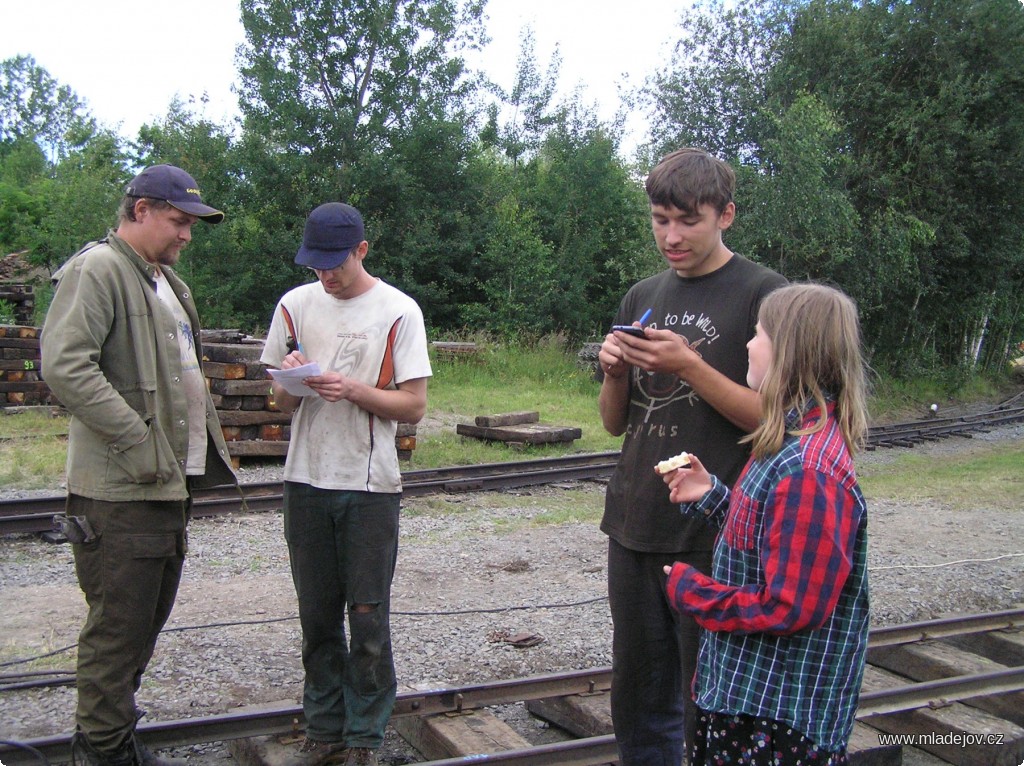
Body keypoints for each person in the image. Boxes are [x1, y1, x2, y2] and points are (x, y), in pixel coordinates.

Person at [40, 164, 238, 766]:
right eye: (178, 222)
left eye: (190, 225)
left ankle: (115, 737)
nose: (186, 236)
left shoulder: (167, 285)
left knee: (141, 626)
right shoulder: (98, 270)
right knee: (117, 633)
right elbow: (66, 366)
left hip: (161, 487)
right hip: (120, 492)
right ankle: (100, 753)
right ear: (142, 209)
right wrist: (138, 437)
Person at [597, 147, 787, 765]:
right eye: (659, 220)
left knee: (714, 702)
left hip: (716, 529)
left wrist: (689, 365)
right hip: (633, 523)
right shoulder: (641, 294)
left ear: (725, 214)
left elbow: (774, 422)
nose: (671, 237)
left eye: (688, 221)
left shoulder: (767, 294)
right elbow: (612, 423)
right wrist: (613, 373)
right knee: (639, 702)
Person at [661, 283, 871, 765]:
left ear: (790, 353)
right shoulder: (788, 442)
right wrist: (713, 496)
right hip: (747, 697)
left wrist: (693, 593)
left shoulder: (809, 471)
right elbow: (773, 545)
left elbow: (790, 606)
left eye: (758, 333)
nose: (749, 344)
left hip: (774, 720)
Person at [261, 202, 432, 766]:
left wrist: (352, 389)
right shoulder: (294, 305)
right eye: (316, 266)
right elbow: (277, 399)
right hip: (304, 478)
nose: (326, 276)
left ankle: (364, 736)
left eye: (335, 264)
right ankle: (324, 727)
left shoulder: (398, 311)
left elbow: (413, 406)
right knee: (316, 613)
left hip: (368, 487)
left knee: (367, 616)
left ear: (362, 250)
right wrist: (294, 380)